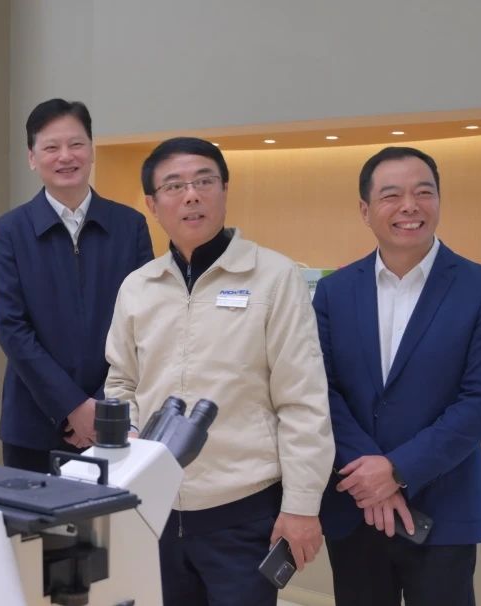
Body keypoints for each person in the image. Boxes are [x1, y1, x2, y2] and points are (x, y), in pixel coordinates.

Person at [104, 137, 333, 605]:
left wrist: (302, 506)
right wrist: (128, 442)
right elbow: (121, 382)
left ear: (225, 190)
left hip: (243, 515)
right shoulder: (138, 286)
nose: (191, 195)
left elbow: (303, 400)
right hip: (154, 511)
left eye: (204, 181)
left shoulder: (274, 277)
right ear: (152, 204)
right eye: (174, 186)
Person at [314, 146, 481, 606]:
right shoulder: (333, 291)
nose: (410, 206)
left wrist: (397, 470)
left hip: (443, 508)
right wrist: (369, 474)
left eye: (424, 192)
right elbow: (320, 391)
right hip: (355, 505)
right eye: (392, 195)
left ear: (439, 201)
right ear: (365, 210)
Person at [0, 98, 153, 472]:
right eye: (51, 147)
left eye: (76, 144)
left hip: (116, 420)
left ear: (91, 150)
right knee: (31, 514)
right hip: (33, 425)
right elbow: (12, 329)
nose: (65, 156)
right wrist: (72, 407)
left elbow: (143, 323)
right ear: (32, 158)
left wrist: (99, 406)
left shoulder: (130, 226)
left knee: (113, 513)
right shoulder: (8, 231)